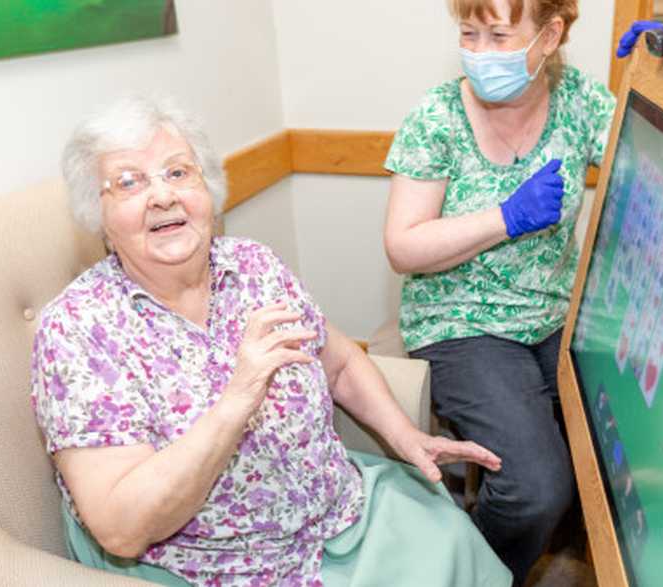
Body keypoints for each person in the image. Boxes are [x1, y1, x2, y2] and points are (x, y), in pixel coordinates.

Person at [30, 95, 512, 587]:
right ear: (98, 214)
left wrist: (406, 436)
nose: (162, 196)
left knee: (452, 536)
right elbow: (121, 529)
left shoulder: (253, 265)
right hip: (219, 568)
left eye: (178, 173)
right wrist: (238, 396)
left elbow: (340, 362)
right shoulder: (79, 329)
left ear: (208, 189)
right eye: (129, 182)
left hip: (340, 512)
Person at [382, 0, 618, 582]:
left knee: (620, 446)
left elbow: (652, 157)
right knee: (536, 487)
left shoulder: (582, 102)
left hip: (556, 314)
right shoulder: (436, 117)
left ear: (550, 34)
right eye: (469, 34)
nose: (480, 53)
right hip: (461, 321)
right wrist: (505, 218)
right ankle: (469, 572)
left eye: (499, 35)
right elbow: (403, 246)